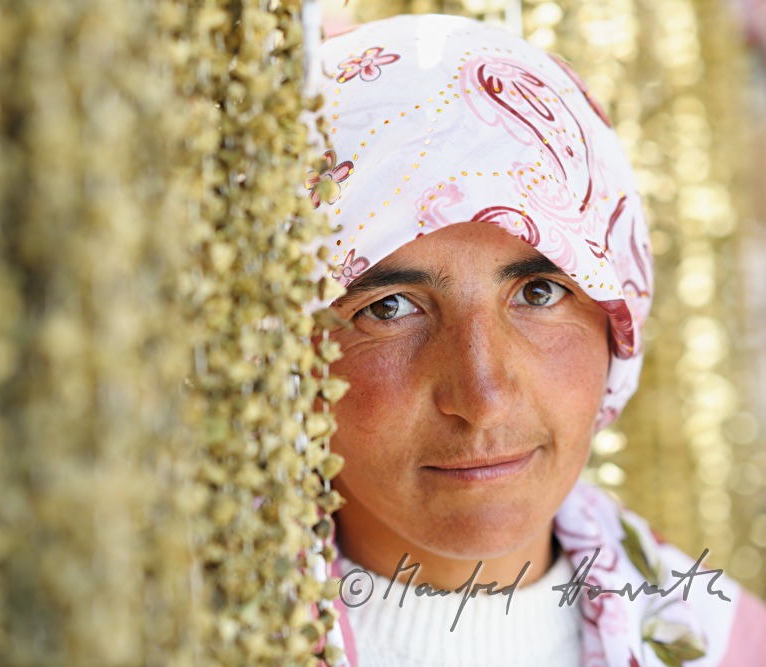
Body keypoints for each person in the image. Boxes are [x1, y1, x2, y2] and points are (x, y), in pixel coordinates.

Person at [305, 13, 766, 667]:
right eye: (391, 307)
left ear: (617, 318)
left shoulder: (727, 647)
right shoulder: (168, 635)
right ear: (288, 353)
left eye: (539, 292)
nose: (483, 395)